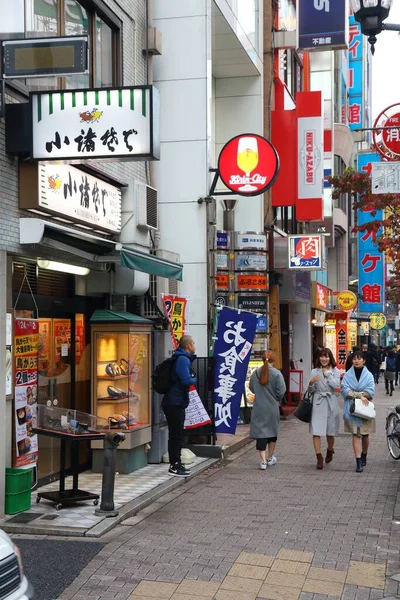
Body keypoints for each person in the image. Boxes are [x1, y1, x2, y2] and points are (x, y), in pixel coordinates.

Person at [161, 335, 197, 477]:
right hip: (174, 402)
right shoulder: (182, 359)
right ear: (188, 346)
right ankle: (174, 465)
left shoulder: (181, 358)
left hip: (174, 401)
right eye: (193, 343)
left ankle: (176, 463)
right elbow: (185, 380)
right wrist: (195, 378)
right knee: (176, 435)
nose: (195, 345)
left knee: (176, 434)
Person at [249, 351, 286, 470]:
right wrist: (277, 398)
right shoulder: (277, 373)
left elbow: (251, 388)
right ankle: (270, 458)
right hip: (272, 408)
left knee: (261, 433)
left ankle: (262, 461)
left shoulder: (255, 373)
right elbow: (281, 390)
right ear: (273, 360)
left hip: (259, 407)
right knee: (272, 432)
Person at [341, 350, 375, 473]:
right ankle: (358, 461)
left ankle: (364, 454)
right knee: (355, 434)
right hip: (352, 408)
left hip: (365, 409)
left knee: (365, 435)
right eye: (354, 358)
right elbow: (344, 390)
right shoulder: (347, 375)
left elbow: (371, 391)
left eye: (359, 358)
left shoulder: (369, 375)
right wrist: (359, 395)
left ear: (364, 360)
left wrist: (356, 394)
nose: (356, 361)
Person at [307, 348, 341, 470]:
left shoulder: (335, 371)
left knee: (330, 432)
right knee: (316, 431)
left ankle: (330, 450)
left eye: (326, 357)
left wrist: (328, 375)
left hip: (331, 402)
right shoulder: (314, 371)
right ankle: (319, 457)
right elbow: (310, 391)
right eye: (321, 356)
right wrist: (311, 383)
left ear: (330, 358)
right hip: (318, 402)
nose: (324, 359)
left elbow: (336, 386)